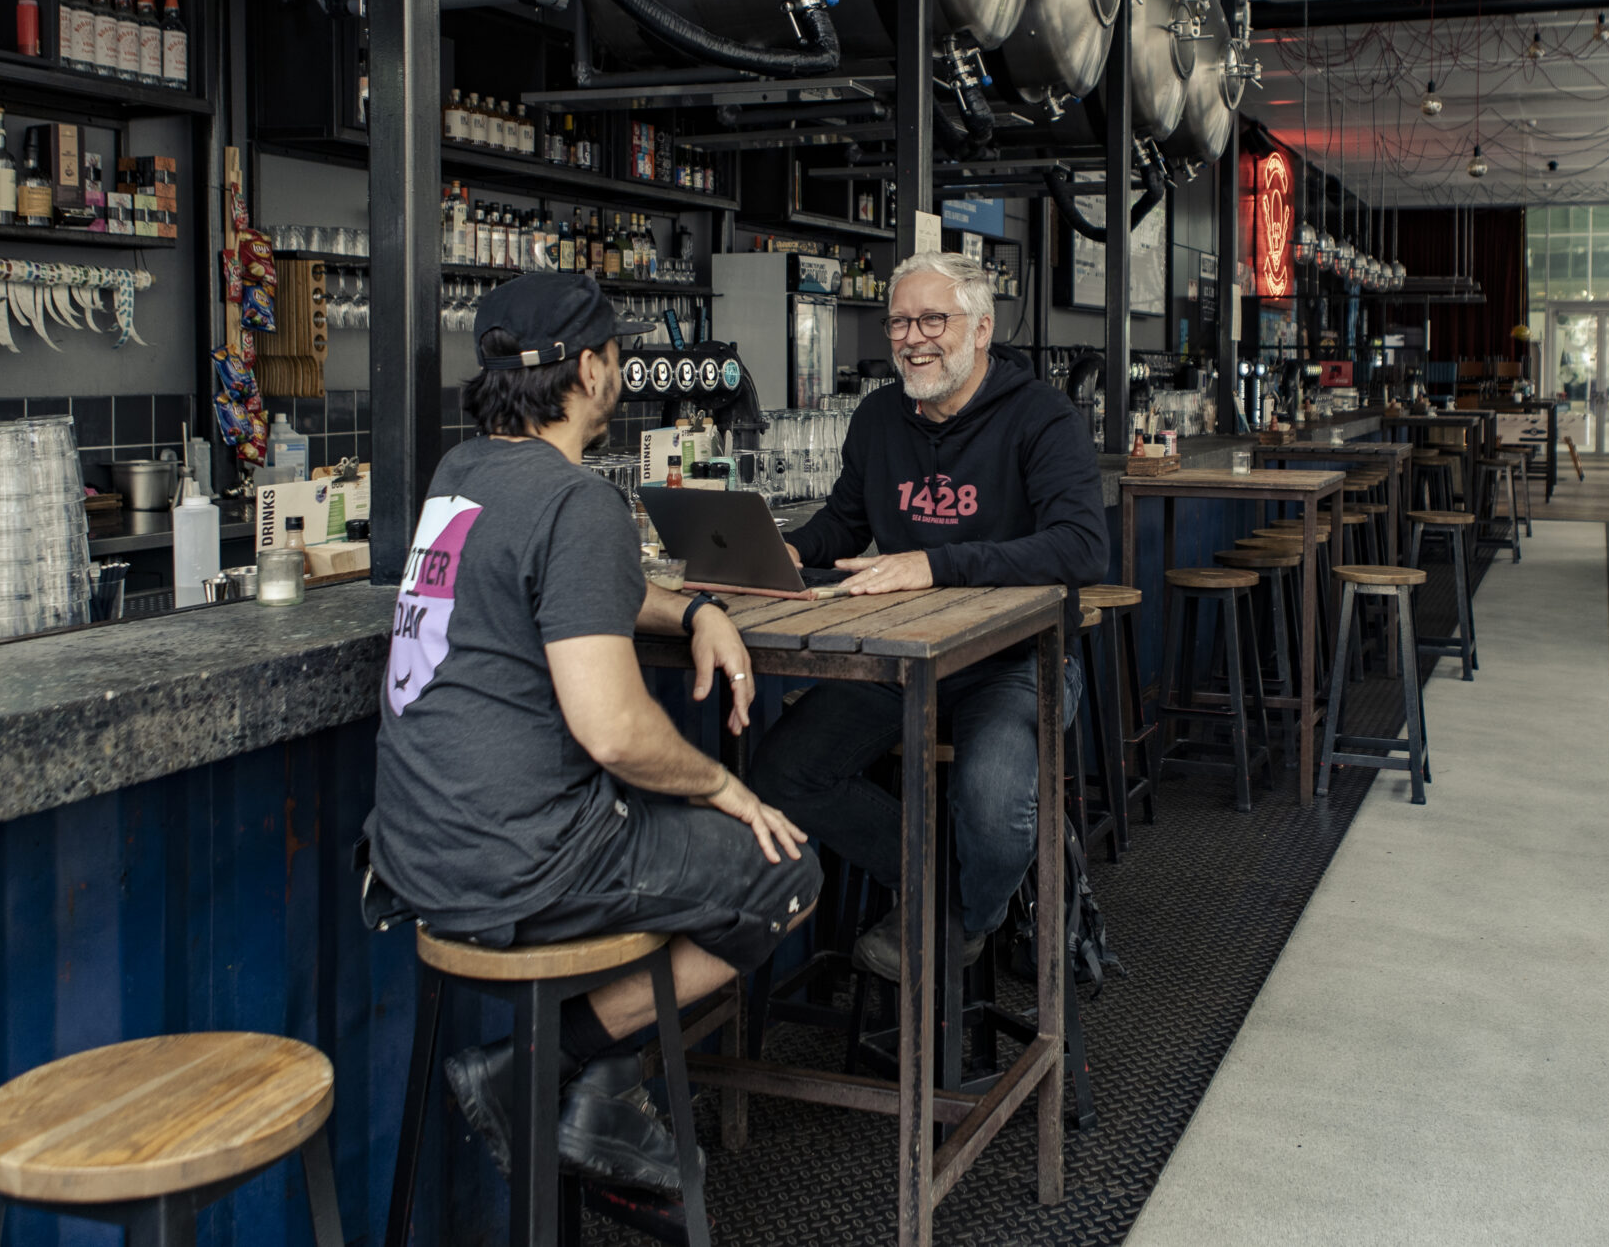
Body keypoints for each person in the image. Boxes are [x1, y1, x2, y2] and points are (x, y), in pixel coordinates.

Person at [365, 270, 818, 1194]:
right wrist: (726, 786)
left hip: (410, 856)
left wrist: (693, 608)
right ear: (590, 368)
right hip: (522, 866)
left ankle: (609, 1081)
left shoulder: (461, 477)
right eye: (617, 353)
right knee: (785, 872)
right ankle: (540, 1065)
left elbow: (570, 589)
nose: (621, 367)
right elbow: (612, 730)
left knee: (664, 843)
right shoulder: (580, 504)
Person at [749, 250, 1108, 979]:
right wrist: (782, 550)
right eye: (900, 322)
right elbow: (842, 526)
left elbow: (1082, 548)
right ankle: (953, 895)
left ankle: (968, 915)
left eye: (933, 319)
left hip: (1016, 659)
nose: (914, 337)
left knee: (995, 803)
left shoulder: (1041, 416)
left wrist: (937, 562)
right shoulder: (881, 416)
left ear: (980, 328)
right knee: (783, 770)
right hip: (901, 659)